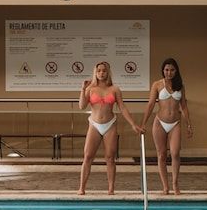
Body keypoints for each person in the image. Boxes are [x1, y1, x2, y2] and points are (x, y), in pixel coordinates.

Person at [78, 61, 143, 195]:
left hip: (110, 124)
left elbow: (122, 108)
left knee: (110, 157)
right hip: (94, 124)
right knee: (88, 156)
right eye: (99, 71)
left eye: (104, 71)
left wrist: (133, 124)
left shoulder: (115, 89)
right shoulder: (90, 89)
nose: (101, 73)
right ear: (95, 73)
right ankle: (81, 188)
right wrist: (83, 89)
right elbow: (82, 106)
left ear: (108, 73)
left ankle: (111, 188)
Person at [142, 57, 192, 194]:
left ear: (176, 71)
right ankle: (165, 186)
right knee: (162, 155)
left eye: (172, 70)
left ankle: (175, 183)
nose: (169, 72)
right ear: (163, 71)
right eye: (166, 70)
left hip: (175, 123)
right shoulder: (157, 85)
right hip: (160, 123)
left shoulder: (180, 86)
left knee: (175, 153)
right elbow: (150, 104)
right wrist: (143, 123)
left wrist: (188, 124)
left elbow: (184, 106)